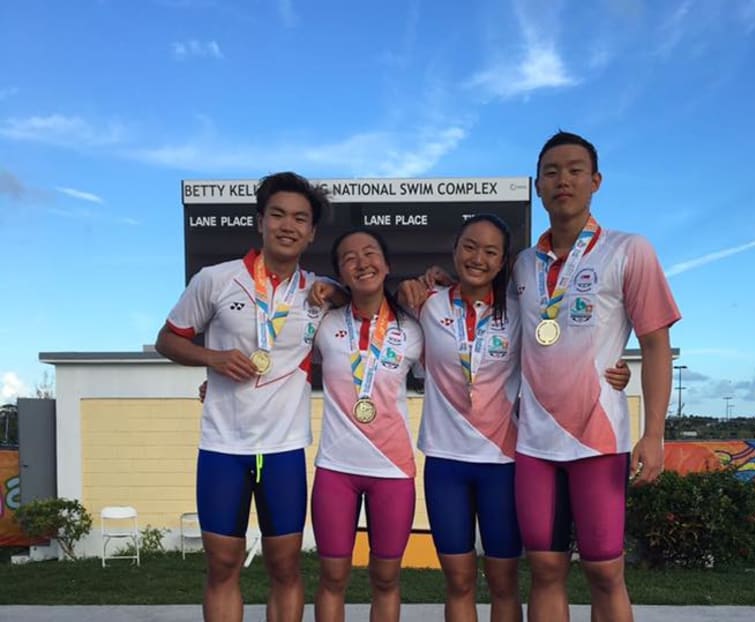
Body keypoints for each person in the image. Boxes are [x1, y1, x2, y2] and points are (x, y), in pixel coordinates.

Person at [398, 214, 630, 622]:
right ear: (454, 251)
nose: (478, 258)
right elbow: (370, 306)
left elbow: (563, 349)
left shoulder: (521, 310)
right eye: (469, 246)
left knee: (505, 583)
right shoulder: (427, 304)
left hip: (503, 464)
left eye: (490, 251)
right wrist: (407, 287)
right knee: (458, 581)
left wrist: (614, 370)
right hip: (444, 461)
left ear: (503, 261)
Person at [511, 131, 681, 622]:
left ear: (596, 181)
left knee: (606, 572)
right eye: (551, 172)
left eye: (575, 170)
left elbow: (655, 345)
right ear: (538, 186)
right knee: (544, 568)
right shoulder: (523, 264)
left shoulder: (630, 250)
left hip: (599, 443)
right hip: (535, 445)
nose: (563, 180)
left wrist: (653, 433)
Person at [155, 171, 330, 622]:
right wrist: (211, 359)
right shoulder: (215, 280)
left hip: (284, 449)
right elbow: (167, 340)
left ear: (311, 232)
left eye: (299, 218)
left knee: (286, 566)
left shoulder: (322, 292)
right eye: (277, 215)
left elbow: (374, 297)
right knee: (222, 565)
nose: (287, 225)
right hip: (223, 448)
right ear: (260, 222)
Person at [311, 228, 424, 622]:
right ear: (339, 273)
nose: (362, 263)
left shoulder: (413, 329)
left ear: (387, 264)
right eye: (349, 257)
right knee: (332, 577)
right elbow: (280, 357)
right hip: (336, 469)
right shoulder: (324, 324)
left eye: (371, 253)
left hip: (392, 472)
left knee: (387, 579)